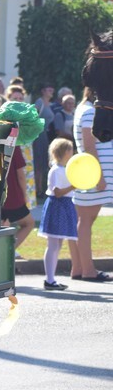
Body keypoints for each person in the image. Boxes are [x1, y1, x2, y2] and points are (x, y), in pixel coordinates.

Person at [71, 85, 113, 282]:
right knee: (86, 221)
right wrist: (99, 177)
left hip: (91, 173)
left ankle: (79, 268)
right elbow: (89, 145)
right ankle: (88, 270)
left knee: (85, 220)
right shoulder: (89, 111)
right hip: (93, 174)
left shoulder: (85, 109)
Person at [38, 138, 78, 291]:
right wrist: (73, 186)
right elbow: (58, 192)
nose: (72, 152)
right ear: (64, 151)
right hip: (57, 206)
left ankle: (51, 279)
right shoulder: (56, 170)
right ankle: (49, 279)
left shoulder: (64, 169)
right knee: (53, 244)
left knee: (57, 244)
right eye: (70, 149)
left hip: (63, 206)